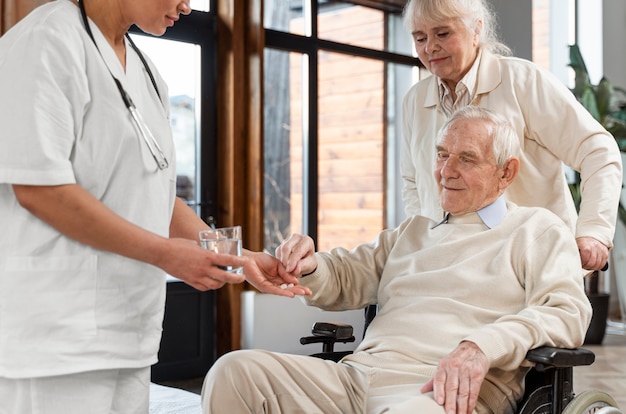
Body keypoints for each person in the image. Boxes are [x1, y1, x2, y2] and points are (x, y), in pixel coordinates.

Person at [0, 1, 308, 413]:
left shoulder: (146, 73)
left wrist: (239, 258)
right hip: (56, 333)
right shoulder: (48, 39)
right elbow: (40, 189)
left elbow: (155, 194)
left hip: (129, 331)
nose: (186, 5)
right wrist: (165, 254)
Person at [201, 106, 592, 414]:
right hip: (356, 380)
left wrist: (481, 345)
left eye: (467, 159)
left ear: (506, 173)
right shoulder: (413, 232)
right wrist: (308, 265)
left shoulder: (536, 230)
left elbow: (567, 312)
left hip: (441, 392)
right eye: (442, 154)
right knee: (233, 373)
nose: (446, 171)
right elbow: (345, 274)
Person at [400, 0, 622, 272]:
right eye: (419, 38)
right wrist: (425, 242)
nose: (429, 47)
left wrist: (594, 231)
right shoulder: (414, 100)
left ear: (476, 30)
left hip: (535, 265)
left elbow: (597, 150)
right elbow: (413, 182)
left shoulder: (523, 81)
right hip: (455, 270)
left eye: (443, 34)